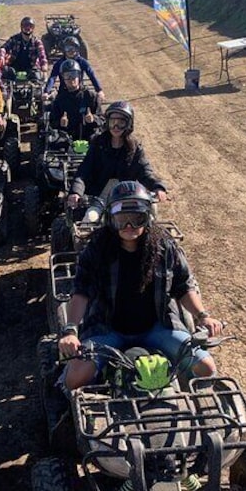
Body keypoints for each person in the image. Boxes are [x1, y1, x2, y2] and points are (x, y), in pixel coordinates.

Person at [57, 181, 226, 391]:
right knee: (74, 380)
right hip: (107, 329)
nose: (129, 227)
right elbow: (81, 292)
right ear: (110, 219)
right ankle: (95, 399)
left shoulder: (165, 247)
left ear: (148, 218)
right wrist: (71, 330)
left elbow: (184, 287)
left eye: (137, 219)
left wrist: (203, 315)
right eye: (121, 220)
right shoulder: (97, 249)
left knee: (206, 368)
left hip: (158, 326)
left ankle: (186, 394)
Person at [67, 101, 168, 208]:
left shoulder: (135, 146)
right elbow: (84, 171)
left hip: (127, 197)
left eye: (121, 122)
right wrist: (76, 192)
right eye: (112, 122)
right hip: (99, 199)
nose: (116, 126)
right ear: (107, 123)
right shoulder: (97, 143)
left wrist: (158, 187)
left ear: (129, 124)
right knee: (89, 219)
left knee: (150, 211)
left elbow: (145, 171)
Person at [49, 59, 102, 141]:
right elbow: (52, 122)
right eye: (67, 76)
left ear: (79, 76)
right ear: (63, 78)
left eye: (74, 75)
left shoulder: (91, 96)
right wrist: (60, 122)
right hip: (67, 137)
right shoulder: (59, 99)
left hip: (89, 135)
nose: (71, 79)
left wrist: (93, 119)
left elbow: (102, 119)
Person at [44, 36, 104, 102]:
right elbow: (53, 77)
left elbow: (92, 75)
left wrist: (99, 90)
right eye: (68, 48)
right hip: (63, 91)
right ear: (64, 49)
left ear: (77, 49)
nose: (71, 51)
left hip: (79, 90)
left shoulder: (82, 62)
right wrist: (46, 91)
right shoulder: (59, 63)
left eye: (73, 48)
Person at [1, 16, 48, 82]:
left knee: (37, 76)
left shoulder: (37, 42)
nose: (28, 28)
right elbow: (4, 48)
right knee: (5, 73)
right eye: (25, 26)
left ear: (33, 28)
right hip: (14, 66)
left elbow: (42, 55)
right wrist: (2, 58)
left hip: (31, 67)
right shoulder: (14, 39)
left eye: (30, 26)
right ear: (21, 27)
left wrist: (44, 67)